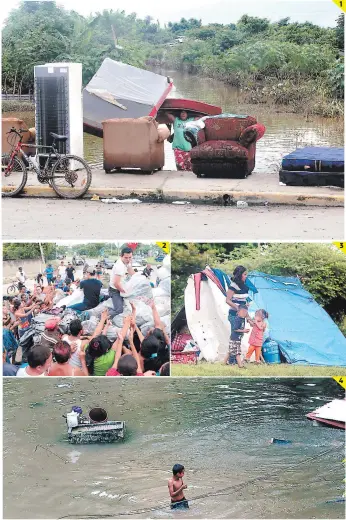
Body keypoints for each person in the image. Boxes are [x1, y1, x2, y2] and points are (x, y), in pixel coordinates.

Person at [109, 247, 135, 315]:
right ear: (121, 256)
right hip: (115, 290)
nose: (128, 259)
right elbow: (116, 284)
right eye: (126, 257)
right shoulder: (119, 266)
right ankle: (102, 317)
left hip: (121, 286)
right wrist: (124, 291)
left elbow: (131, 271)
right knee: (119, 310)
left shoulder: (127, 262)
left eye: (130, 257)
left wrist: (138, 278)